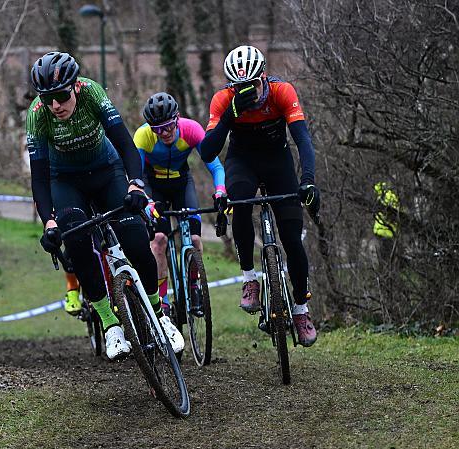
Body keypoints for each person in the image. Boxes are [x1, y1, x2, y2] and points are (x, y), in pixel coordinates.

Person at [26, 51, 185, 360]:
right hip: (66, 182)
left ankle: (159, 315)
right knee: (76, 243)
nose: (55, 105)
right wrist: (49, 221)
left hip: (106, 171)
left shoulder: (92, 93)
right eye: (48, 99)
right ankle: (111, 324)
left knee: (138, 242)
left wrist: (135, 184)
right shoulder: (37, 115)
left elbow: (125, 143)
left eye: (60, 95)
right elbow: (39, 178)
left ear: (74, 87)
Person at [199, 45, 320, 346]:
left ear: (263, 76)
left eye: (251, 85)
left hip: (278, 161)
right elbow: (207, 150)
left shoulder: (282, 92)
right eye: (239, 86)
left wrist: (308, 180)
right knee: (239, 202)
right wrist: (230, 115)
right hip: (243, 161)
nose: (247, 91)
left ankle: (301, 311)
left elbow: (303, 140)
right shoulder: (224, 100)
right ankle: (249, 279)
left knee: (292, 237)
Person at [133, 92, 226, 314]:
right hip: (153, 187)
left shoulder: (192, 129)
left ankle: (194, 285)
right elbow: (135, 175)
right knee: (158, 240)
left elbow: (215, 166)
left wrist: (221, 191)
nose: (164, 133)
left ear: (177, 118)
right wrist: (146, 201)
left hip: (181, 185)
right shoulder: (142, 136)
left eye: (168, 126)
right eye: (157, 129)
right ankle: (162, 299)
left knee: (194, 238)